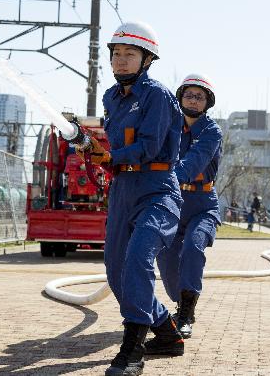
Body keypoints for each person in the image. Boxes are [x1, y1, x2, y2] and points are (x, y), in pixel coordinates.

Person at [86, 21, 184, 376]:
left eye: (130, 54)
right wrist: (95, 151)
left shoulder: (157, 95)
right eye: (116, 54)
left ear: (147, 60)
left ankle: (132, 351)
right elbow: (116, 148)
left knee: (138, 261)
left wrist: (112, 156)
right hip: (122, 191)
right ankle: (167, 332)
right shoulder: (111, 97)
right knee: (116, 274)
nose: (121, 60)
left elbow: (149, 146)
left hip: (157, 189)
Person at [152, 74, 223, 344]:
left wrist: (161, 178)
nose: (193, 100)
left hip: (203, 206)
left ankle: (186, 316)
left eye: (199, 96)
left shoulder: (211, 132)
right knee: (168, 263)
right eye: (189, 95)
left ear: (207, 103)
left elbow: (192, 164)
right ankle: (180, 302)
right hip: (173, 203)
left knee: (193, 247)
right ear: (180, 97)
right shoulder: (169, 127)